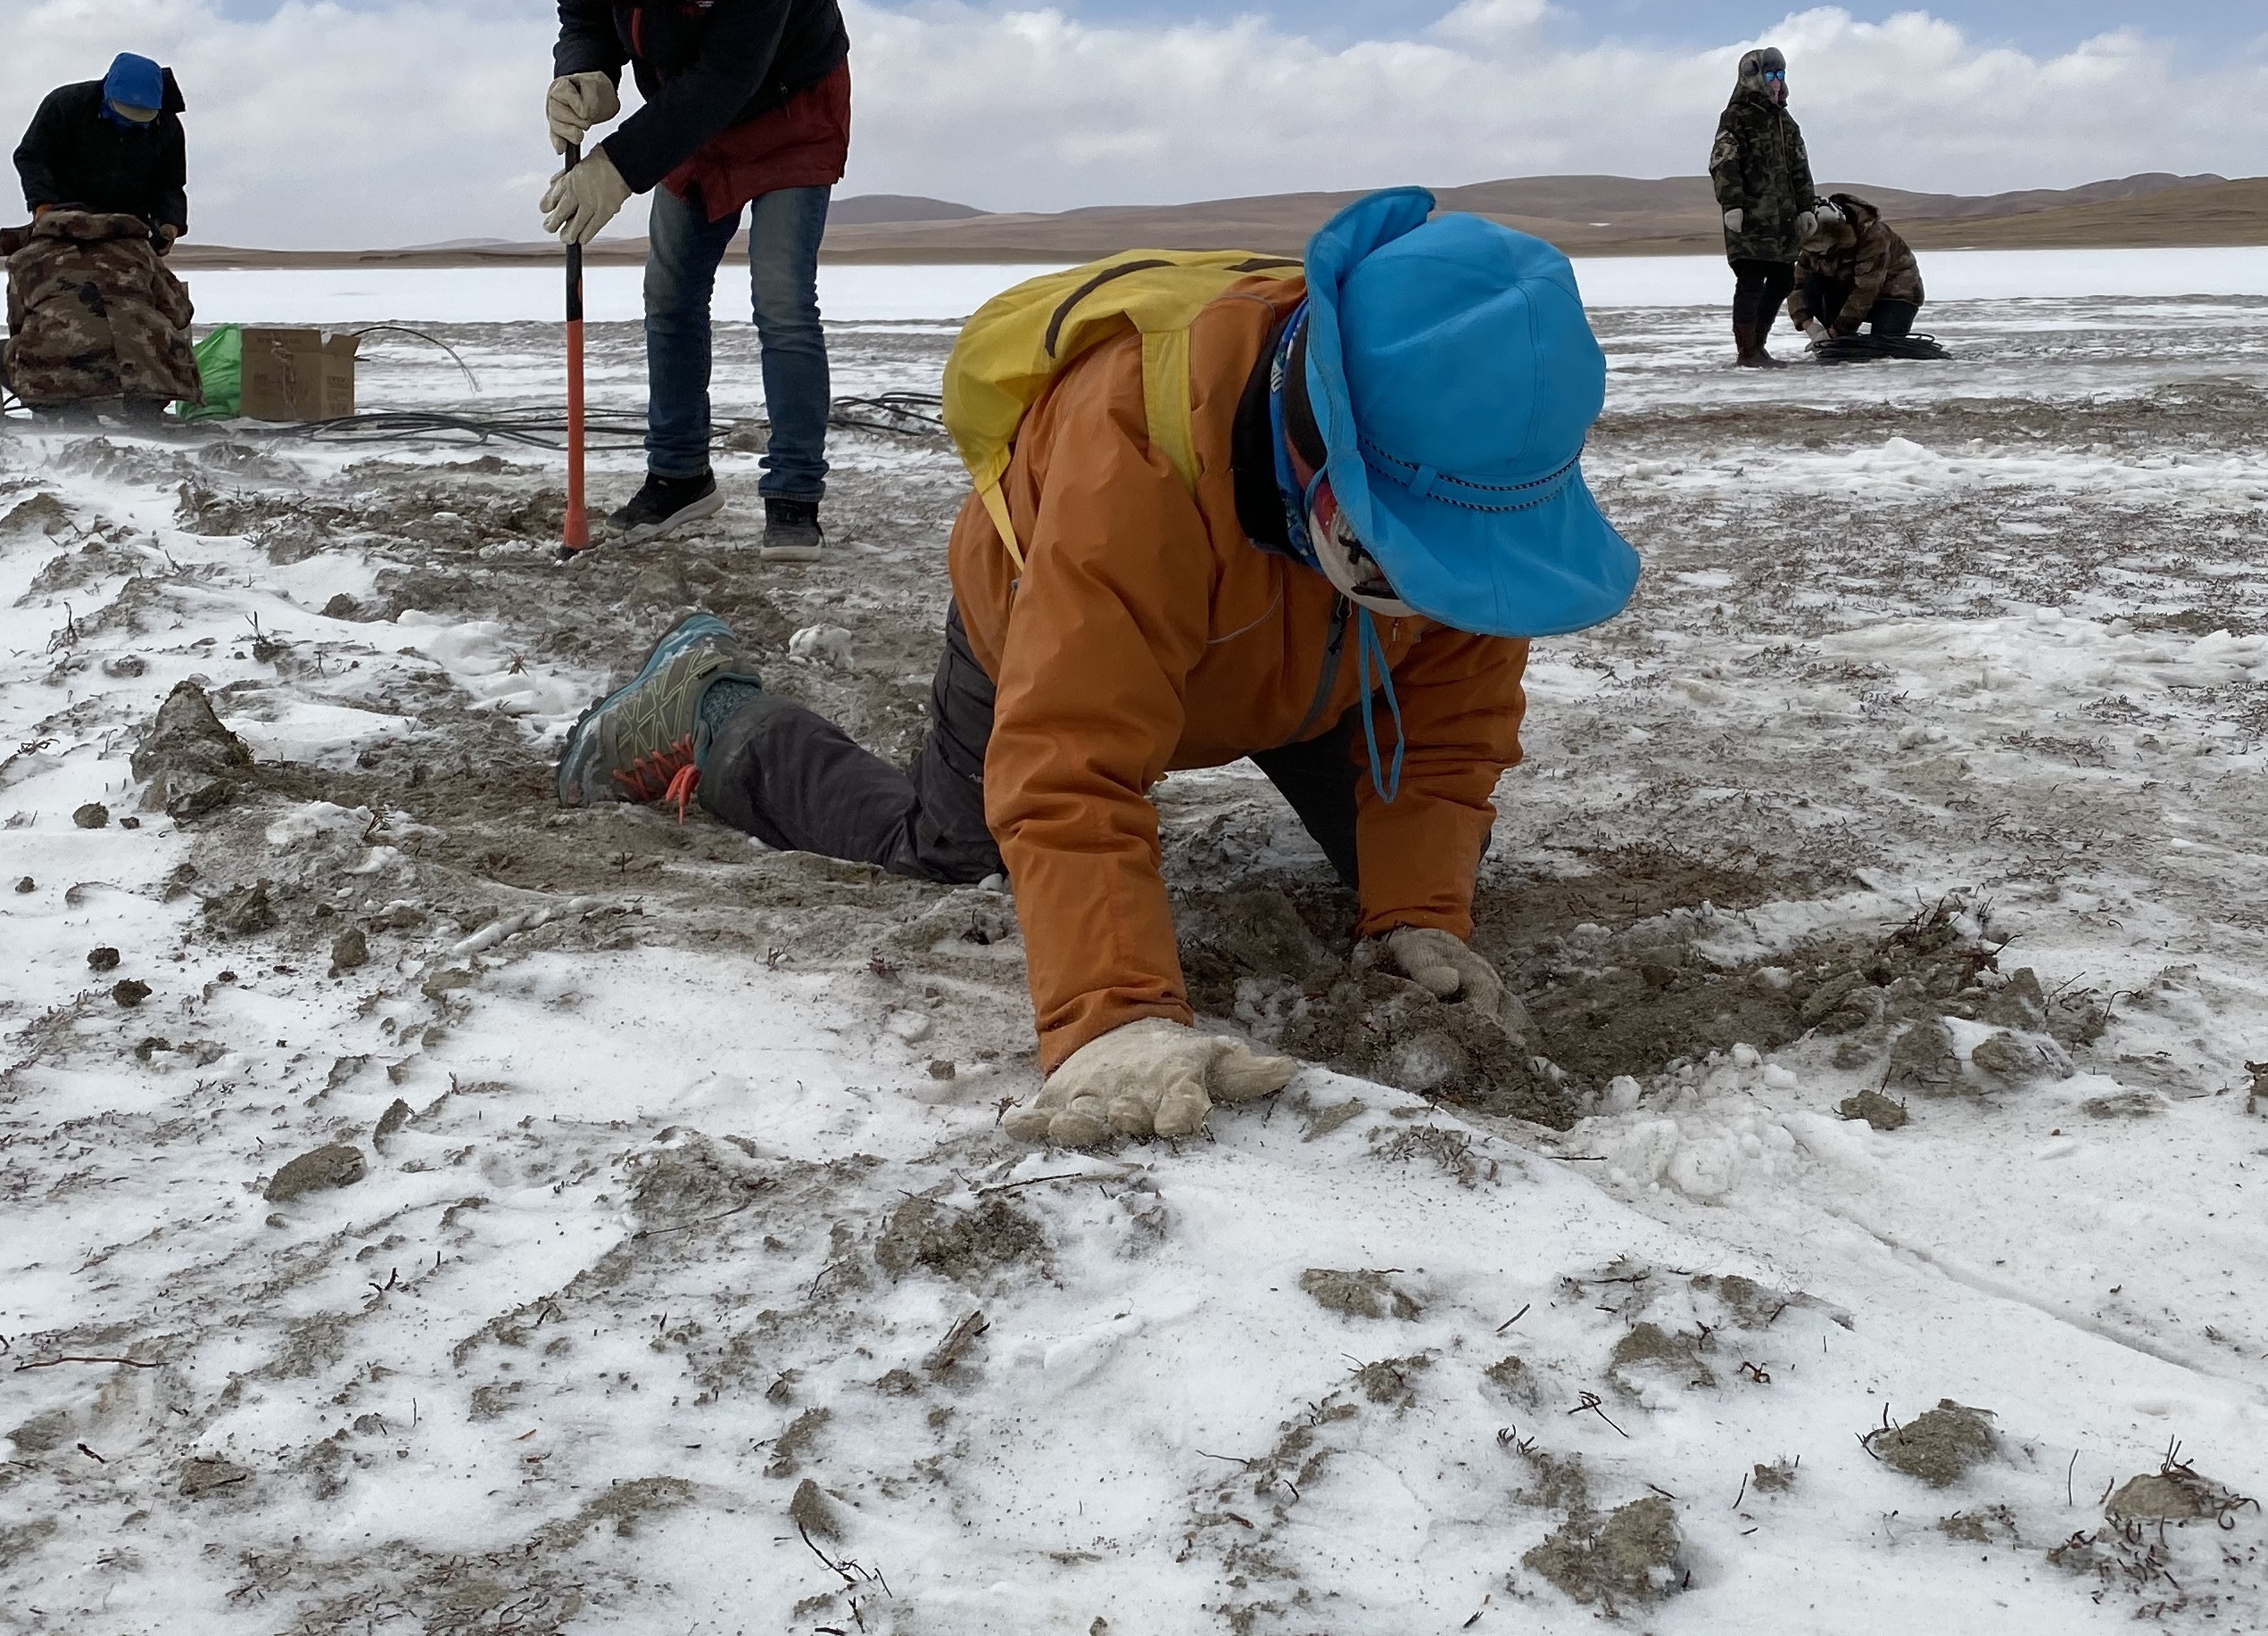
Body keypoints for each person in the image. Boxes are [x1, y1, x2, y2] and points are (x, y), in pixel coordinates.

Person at [550, 190, 1641, 1146]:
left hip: (1308, 665)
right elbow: (1070, 764)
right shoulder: (1133, 447)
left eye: (1443, 576)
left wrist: (1418, 913)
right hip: (1052, 619)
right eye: (1396, 562)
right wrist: (1114, 1017)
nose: (1430, 599)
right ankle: (713, 713)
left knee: (1405, 876)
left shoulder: (1467, 477)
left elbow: (1447, 731)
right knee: (956, 855)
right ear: (1313, 444)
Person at [538, 0, 853, 550]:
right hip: (686, 111)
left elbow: (730, 72)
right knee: (669, 293)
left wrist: (617, 167)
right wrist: (585, 70)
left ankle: (793, 495)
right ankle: (680, 477)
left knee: (781, 301)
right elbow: (585, 8)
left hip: (787, 103)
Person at [2, 52, 198, 416]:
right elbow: (32, 156)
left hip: (127, 226)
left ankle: (73, 408)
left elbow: (171, 184)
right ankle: (130, 406)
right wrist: (43, 204)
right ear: (106, 93)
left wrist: (169, 223)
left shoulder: (33, 262)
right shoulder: (66, 105)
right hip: (63, 217)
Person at [1708, 45, 1819, 368]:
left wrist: (1806, 208)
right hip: (1752, 216)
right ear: (1752, 77)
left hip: (1783, 220)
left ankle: (1759, 344)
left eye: (1780, 74)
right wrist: (1732, 204)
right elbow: (1724, 162)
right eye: (1770, 74)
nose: (1776, 82)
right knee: (1751, 279)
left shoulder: (1786, 121)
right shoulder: (1736, 117)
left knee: (1783, 279)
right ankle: (1747, 351)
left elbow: (1800, 168)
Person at [1787, 192, 1943, 359]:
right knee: (1814, 285)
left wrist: (1834, 332)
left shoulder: (1874, 236)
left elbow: (1865, 290)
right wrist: (1808, 324)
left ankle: (1842, 336)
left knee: (1885, 350)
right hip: (1846, 292)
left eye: (1826, 248)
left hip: (1895, 295)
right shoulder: (1811, 239)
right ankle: (1840, 342)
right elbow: (1797, 284)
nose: (1821, 254)